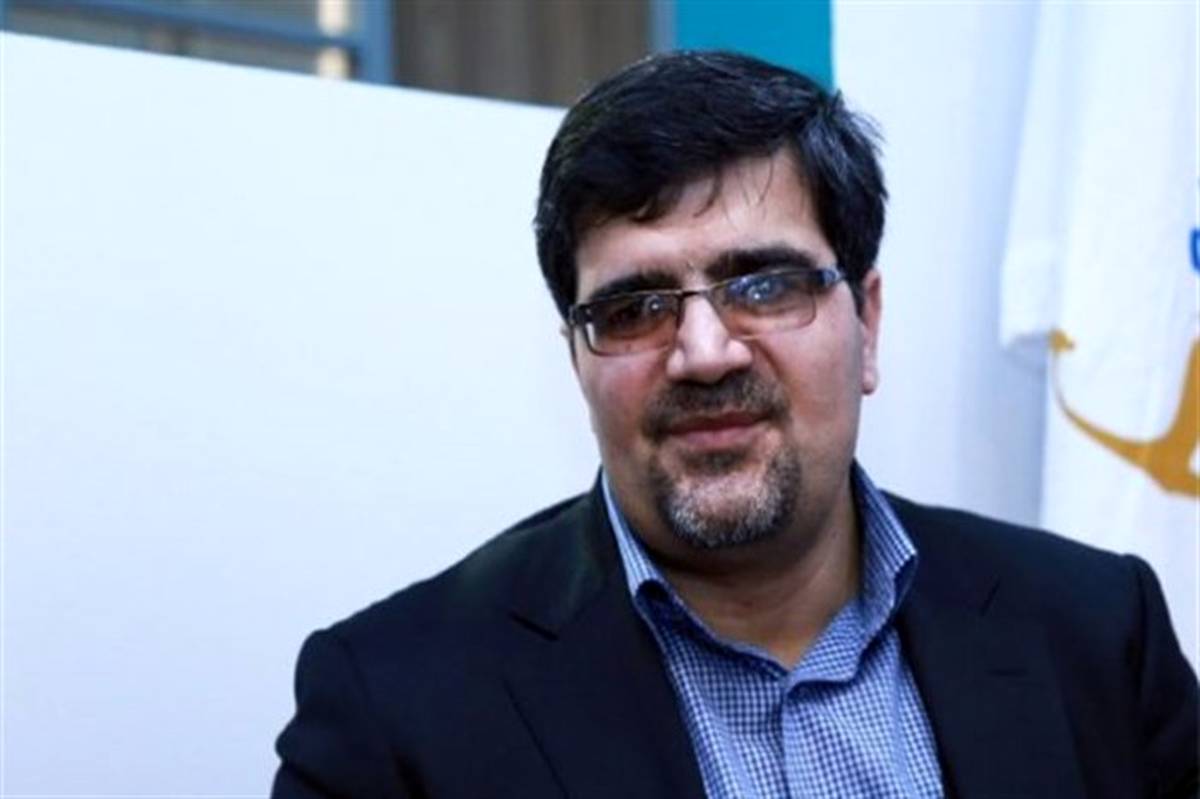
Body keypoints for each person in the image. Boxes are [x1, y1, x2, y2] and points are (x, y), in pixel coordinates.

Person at [271, 51, 1198, 799]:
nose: (705, 353)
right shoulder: (393, 705)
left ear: (868, 324)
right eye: (634, 308)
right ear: (578, 361)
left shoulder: (1097, 629)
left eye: (765, 285)